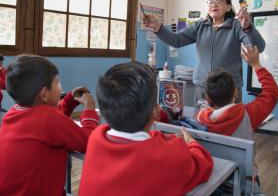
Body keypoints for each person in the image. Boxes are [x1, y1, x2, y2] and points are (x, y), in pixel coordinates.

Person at [79, 62, 213, 196]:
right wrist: (191, 142)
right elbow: (204, 164)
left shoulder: (96, 137)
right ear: (155, 112)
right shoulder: (169, 156)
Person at [0, 55, 99, 196]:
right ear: (44, 94)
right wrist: (89, 109)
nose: (61, 88)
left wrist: (70, 100)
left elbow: (50, 120)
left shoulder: (14, 112)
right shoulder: (48, 119)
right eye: (58, 83)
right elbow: (87, 141)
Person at [143, 0, 265, 104]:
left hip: (229, 88)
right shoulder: (200, 25)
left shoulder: (236, 25)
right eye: (211, 2)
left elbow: (257, 47)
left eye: (219, 2)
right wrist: (158, 28)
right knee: (203, 124)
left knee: (230, 124)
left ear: (228, 7)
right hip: (203, 86)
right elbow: (177, 40)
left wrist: (247, 27)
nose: (214, 5)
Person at [196, 45, 278, 194]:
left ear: (208, 98)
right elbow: (272, 92)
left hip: (212, 184)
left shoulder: (200, 118)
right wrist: (256, 64)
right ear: (235, 92)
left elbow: (203, 106)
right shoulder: (248, 114)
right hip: (245, 186)